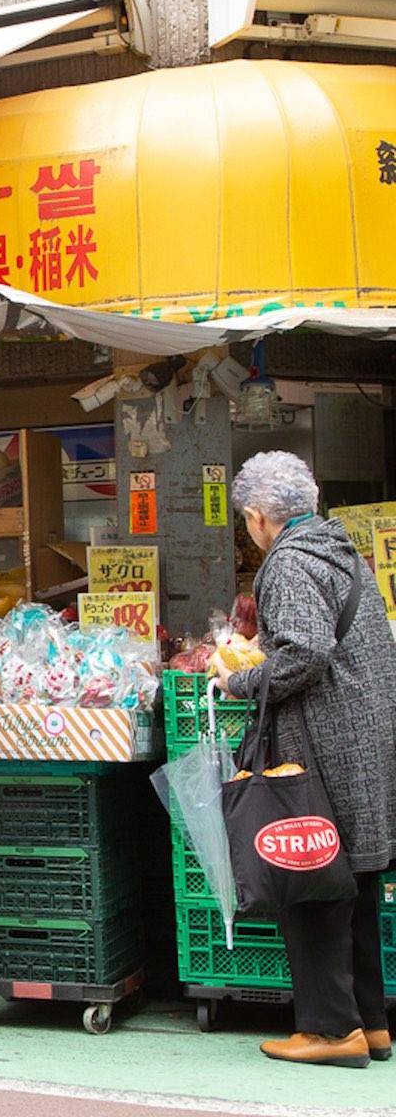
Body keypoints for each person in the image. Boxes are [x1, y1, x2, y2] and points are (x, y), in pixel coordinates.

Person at [209, 451, 396, 1068]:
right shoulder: (341, 550)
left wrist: (237, 680)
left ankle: (327, 1031)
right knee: (356, 882)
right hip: (364, 742)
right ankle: (370, 1024)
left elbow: (306, 652)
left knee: (309, 877)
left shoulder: (288, 563)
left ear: (259, 517)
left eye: (247, 521)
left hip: (321, 746)